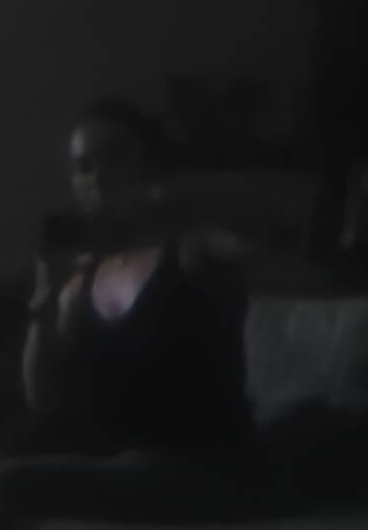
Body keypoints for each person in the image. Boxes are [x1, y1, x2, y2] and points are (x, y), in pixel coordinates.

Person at [17, 100, 250, 463]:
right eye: (84, 166)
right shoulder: (80, 279)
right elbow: (42, 399)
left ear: (152, 165)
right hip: (106, 462)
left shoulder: (191, 249)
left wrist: (169, 205)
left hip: (188, 459)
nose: (99, 176)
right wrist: (45, 294)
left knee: (5, 487)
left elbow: (262, 240)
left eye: (115, 157)